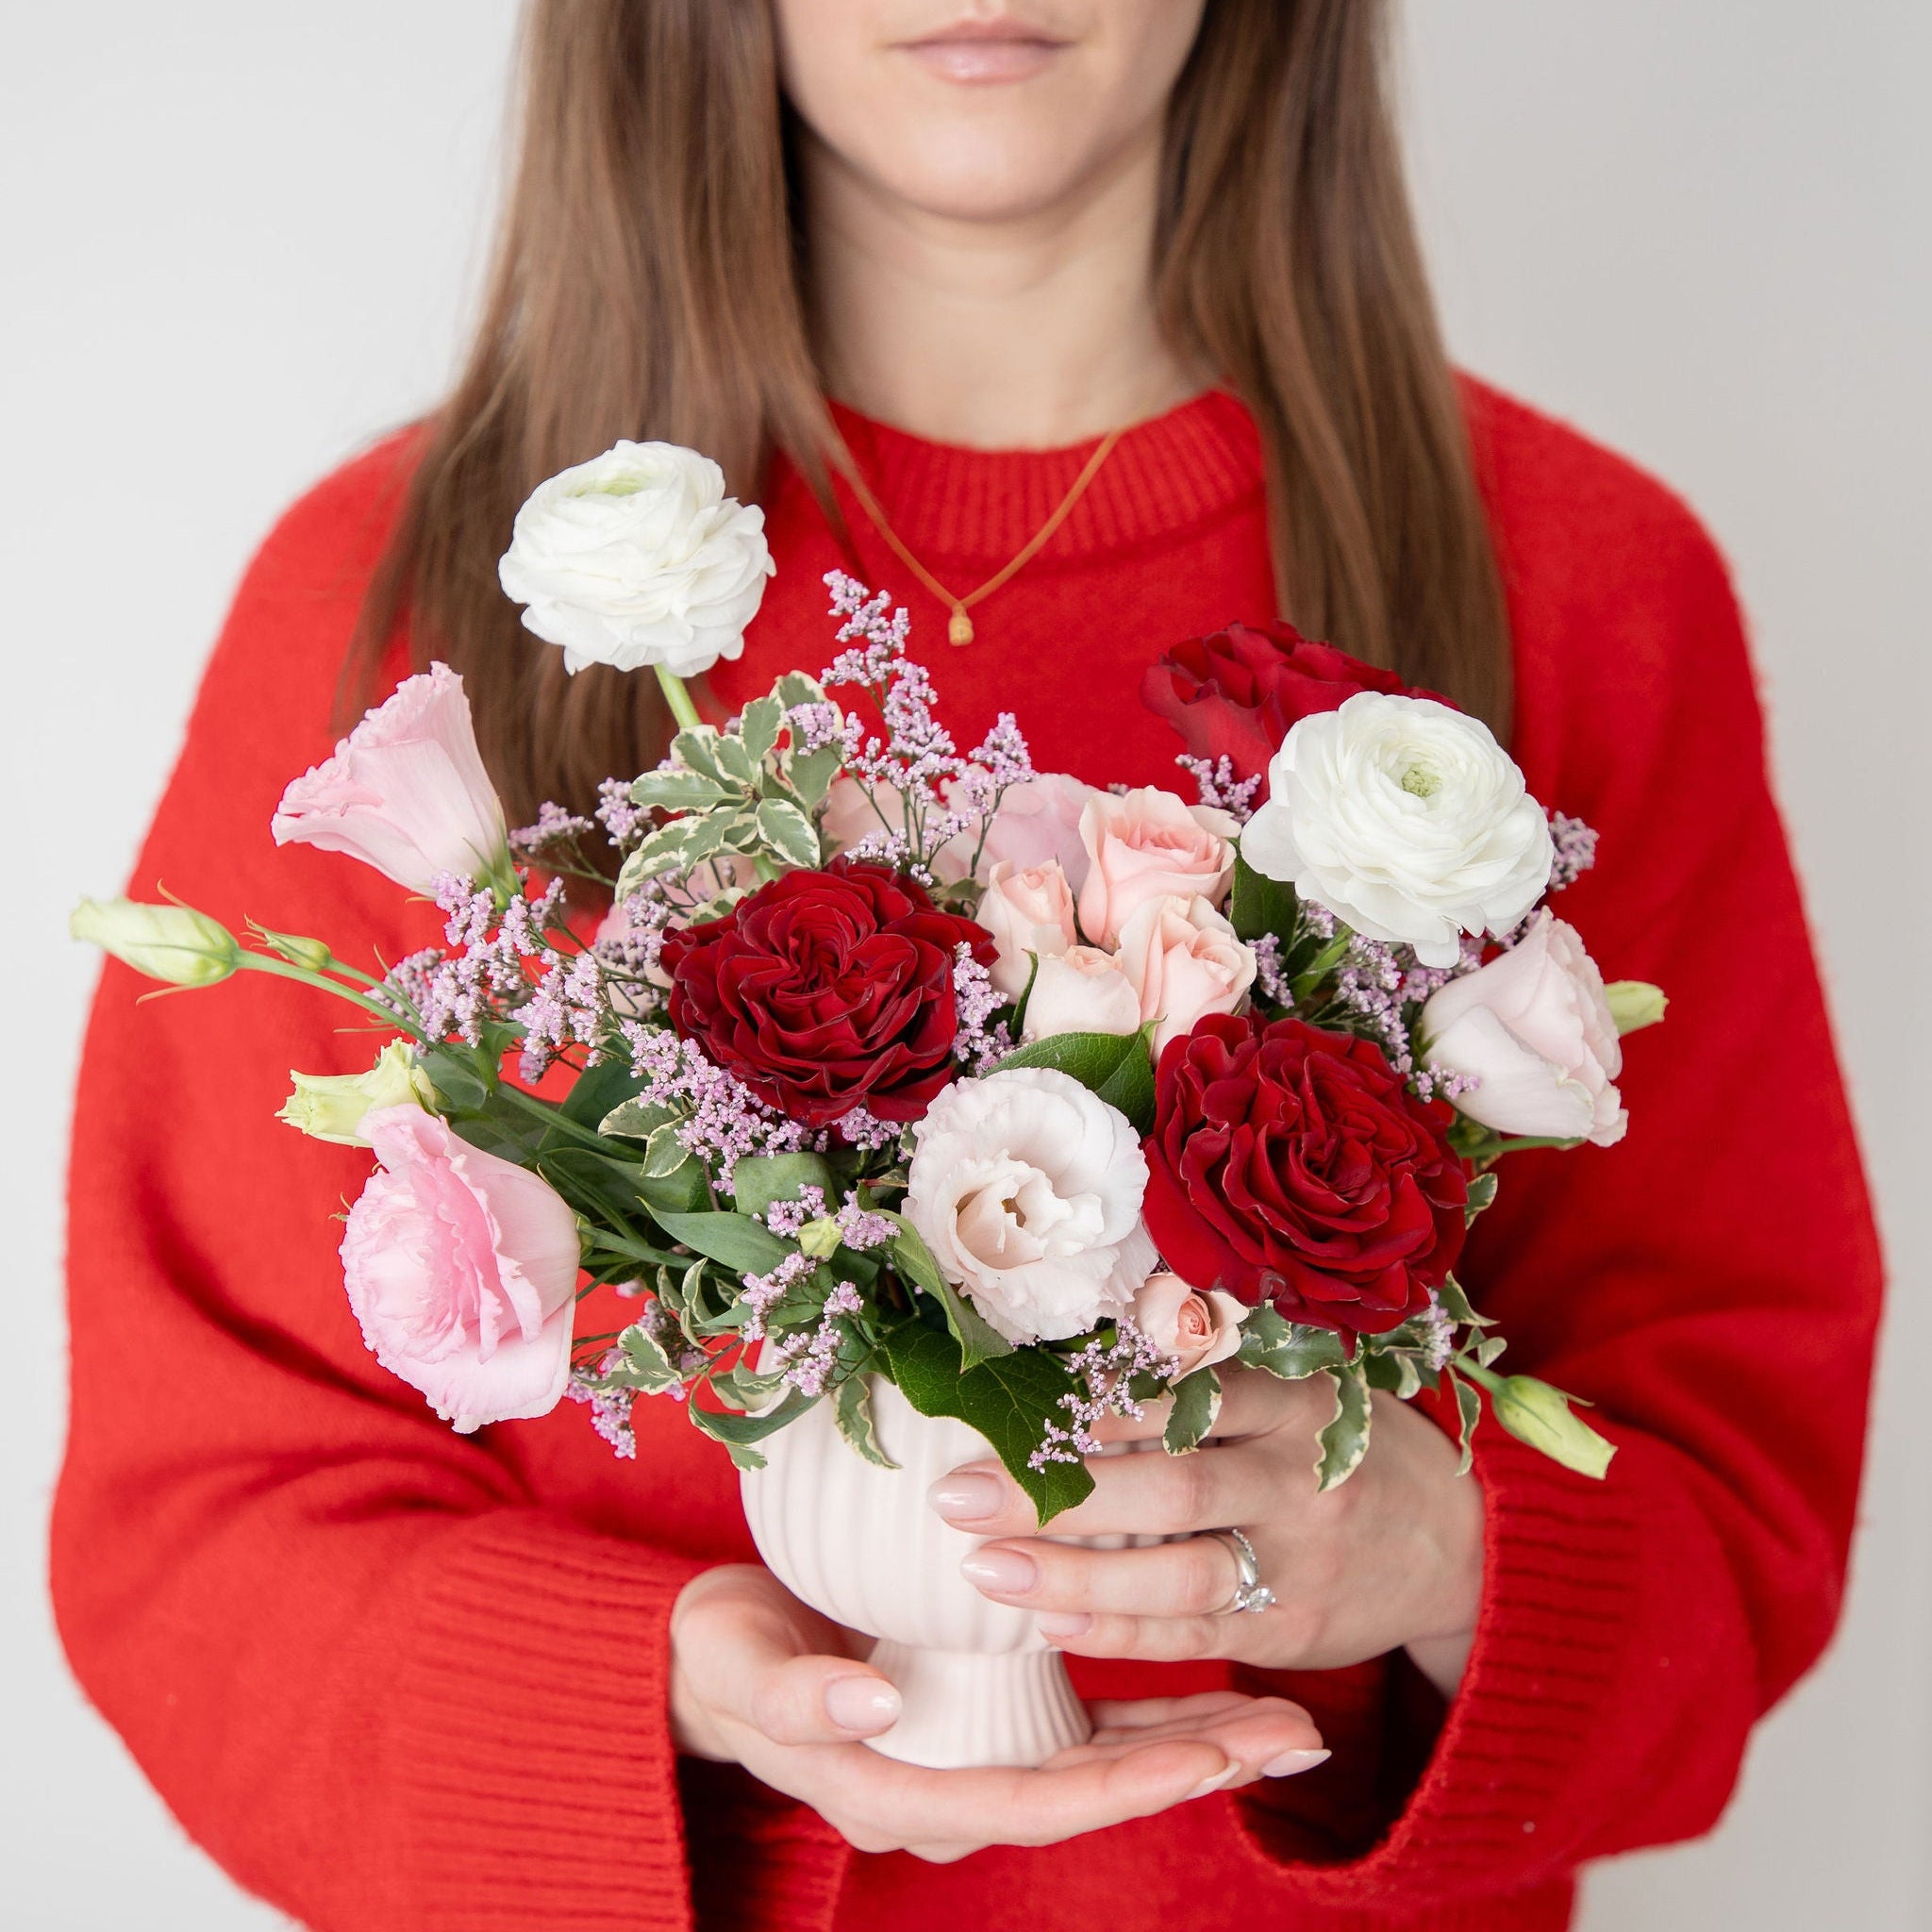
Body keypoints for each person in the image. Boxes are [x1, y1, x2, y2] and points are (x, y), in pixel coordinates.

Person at [55, 3, 1882, 1929]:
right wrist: (656, 1683)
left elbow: (1737, 1477)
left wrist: (1447, 1554)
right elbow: (199, 1519)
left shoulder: (1577, 585)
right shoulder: (403, 620)